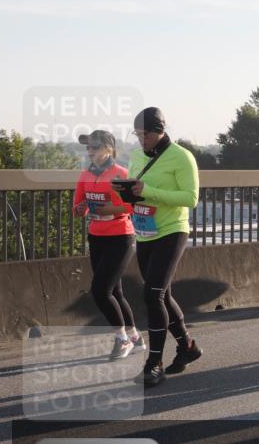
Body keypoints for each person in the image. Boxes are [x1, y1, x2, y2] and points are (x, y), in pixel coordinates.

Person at [126, 108, 201, 386]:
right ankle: (187, 346)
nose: (141, 139)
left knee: (153, 294)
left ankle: (154, 363)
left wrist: (148, 191)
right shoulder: (136, 157)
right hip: (145, 232)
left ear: (159, 131)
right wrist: (126, 193)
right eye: (137, 134)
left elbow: (191, 198)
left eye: (145, 134)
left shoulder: (182, 156)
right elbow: (135, 190)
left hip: (172, 230)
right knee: (163, 296)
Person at [73, 130, 143, 360]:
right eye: (88, 147)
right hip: (96, 237)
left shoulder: (121, 174)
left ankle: (122, 339)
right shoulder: (85, 175)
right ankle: (135, 337)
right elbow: (77, 209)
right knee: (114, 291)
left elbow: (132, 206)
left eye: (95, 147)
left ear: (109, 149)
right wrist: (81, 209)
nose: (90, 151)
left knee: (100, 291)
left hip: (121, 237)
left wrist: (110, 210)